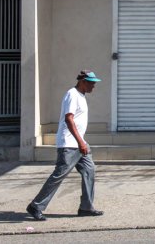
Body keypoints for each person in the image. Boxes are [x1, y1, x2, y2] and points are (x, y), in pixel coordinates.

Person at [27, 70, 104, 220]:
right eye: (91, 83)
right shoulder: (72, 94)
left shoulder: (81, 96)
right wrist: (80, 142)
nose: (94, 86)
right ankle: (35, 206)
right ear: (82, 81)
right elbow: (69, 119)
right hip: (69, 144)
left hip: (79, 143)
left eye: (94, 83)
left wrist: (82, 142)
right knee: (58, 175)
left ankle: (86, 208)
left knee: (89, 171)